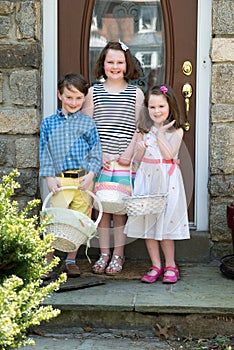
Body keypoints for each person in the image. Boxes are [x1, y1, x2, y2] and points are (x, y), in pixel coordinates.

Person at [82, 40, 144, 275]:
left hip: (125, 161)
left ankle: (118, 254)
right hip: (102, 160)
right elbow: (88, 127)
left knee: (120, 211)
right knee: (102, 210)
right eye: (110, 62)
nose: (115, 66)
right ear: (103, 64)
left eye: (120, 62)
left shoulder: (135, 92)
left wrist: (129, 152)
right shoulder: (93, 92)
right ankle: (104, 254)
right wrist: (100, 153)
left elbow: (140, 127)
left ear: (127, 65)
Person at [124, 85, 190, 283]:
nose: (157, 111)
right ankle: (156, 265)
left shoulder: (176, 131)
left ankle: (171, 264)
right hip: (148, 180)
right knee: (148, 225)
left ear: (169, 106)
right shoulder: (144, 131)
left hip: (167, 182)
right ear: (147, 109)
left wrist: (161, 133)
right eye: (152, 107)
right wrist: (140, 147)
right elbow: (137, 160)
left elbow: (169, 154)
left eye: (161, 106)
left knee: (166, 225)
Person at [40, 73, 102, 278]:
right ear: (60, 95)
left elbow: (96, 152)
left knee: (78, 221)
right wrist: (49, 177)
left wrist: (92, 174)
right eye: (69, 97)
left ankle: (70, 260)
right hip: (59, 180)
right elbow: (45, 152)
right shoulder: (49, 124)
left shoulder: (88, 124)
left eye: (78, 98)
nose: (73, 102)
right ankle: (48, 261)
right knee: (54, 221)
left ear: (84, 97)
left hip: (83, 181)